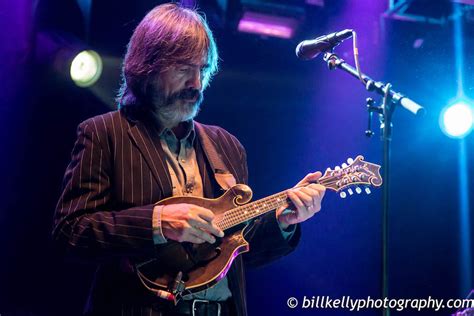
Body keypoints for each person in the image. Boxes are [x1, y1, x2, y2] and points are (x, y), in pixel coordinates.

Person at [52, 3, 326, 316]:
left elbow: (236, 254)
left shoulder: (227, 146)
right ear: (149, 66)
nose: (196, 83)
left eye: (203, 70)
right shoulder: (103, 133)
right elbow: (70, 234)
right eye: (184, 68)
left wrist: (283, 221)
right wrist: (158, 223)